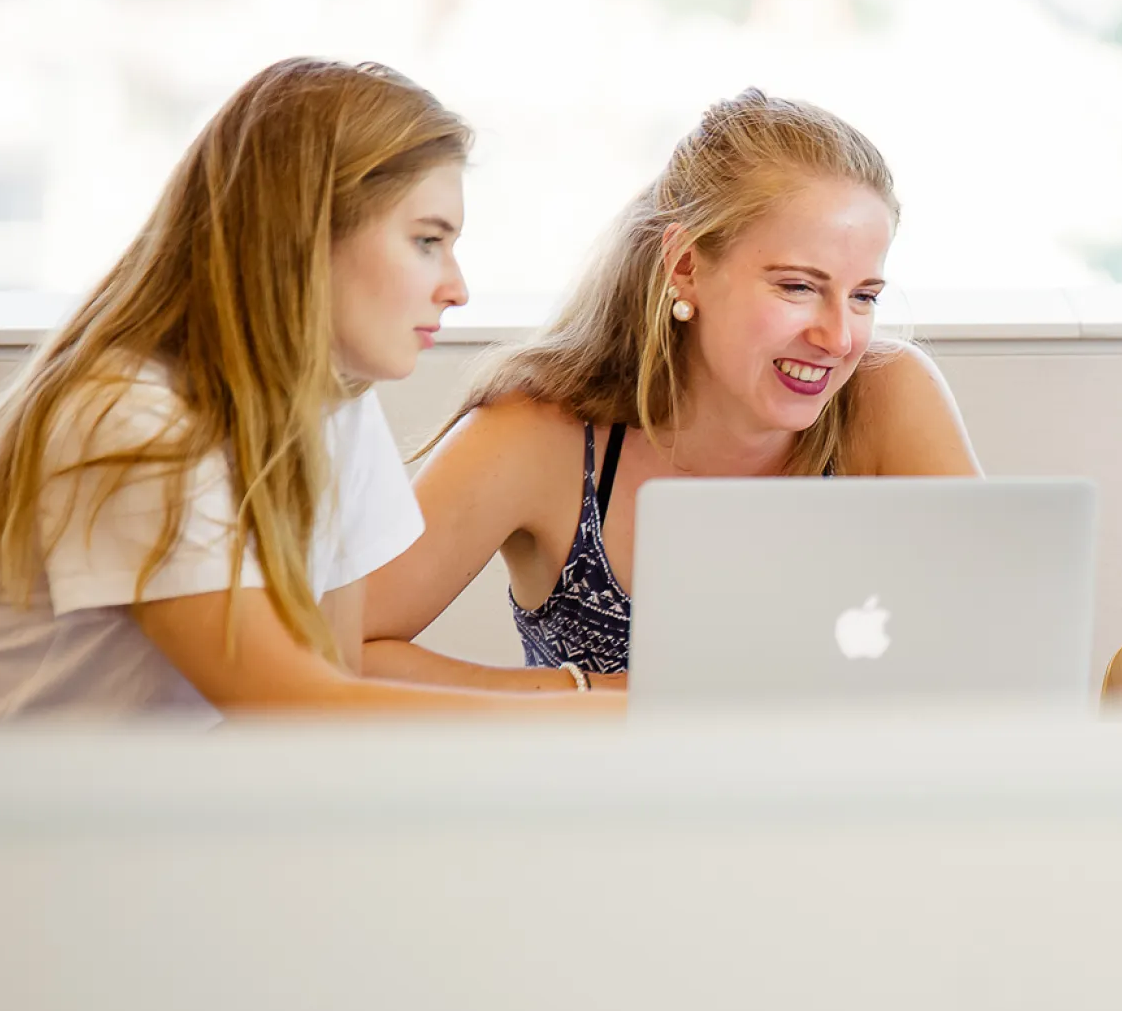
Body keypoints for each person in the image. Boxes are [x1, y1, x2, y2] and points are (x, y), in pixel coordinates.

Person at [0, 59, 619, 731]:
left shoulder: (335, 410)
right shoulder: (128, 419)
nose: (456, 288)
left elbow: (339, 677)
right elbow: (294, 709)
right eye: (427, 240)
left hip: (106, 850)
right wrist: (605, 712)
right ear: (308, 232)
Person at [361, 90, 978, 685]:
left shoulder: (886, 394)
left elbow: (997, 638)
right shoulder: (537, 435)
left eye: (864, 296)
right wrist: (606, 701)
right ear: (685, 266)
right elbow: (341, 651)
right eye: (797, 287)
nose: (840, 338)